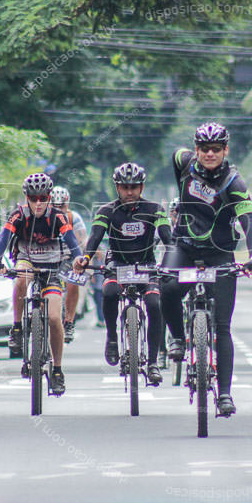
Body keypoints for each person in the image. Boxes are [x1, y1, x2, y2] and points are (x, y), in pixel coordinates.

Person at [161, 122, 252, 417]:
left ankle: (226, 395)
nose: (209, 154)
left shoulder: (234, 182)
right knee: (166, 289)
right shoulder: (183, 164)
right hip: (184, 247)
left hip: (220, 254)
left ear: (225, 150)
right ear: (195, 150)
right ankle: (178, 339)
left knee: (222, 327)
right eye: (204, 149)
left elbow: (249, 221)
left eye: (216, 149)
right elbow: (176, 153)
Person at [73, 163, 172, 385]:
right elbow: (95, 238)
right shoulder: (106, 211)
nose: (129, 192)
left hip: (146, 265)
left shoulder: (155, 209)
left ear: (142, 187)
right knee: (109, 293)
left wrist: (174, 261)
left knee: (155, 305)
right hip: (117, 265)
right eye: (125, 187)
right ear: (117, 187)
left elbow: (168, 238)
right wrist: (85, 259)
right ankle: (112, 338)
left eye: (134, 187)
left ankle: (154, 362)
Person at [0, 173, 82, 395]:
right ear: (27, 197)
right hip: (27, 260)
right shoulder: (18, 215)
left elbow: (71, 241)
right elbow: (3, 237)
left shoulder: (58, 217)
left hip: (52, 268)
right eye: (33, 198)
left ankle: (58, 370)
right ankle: (17, 327)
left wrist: (79, 258)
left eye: (43, 198)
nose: (38, 203)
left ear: (49, 197)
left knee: (53, 318)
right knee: (21, 277)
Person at [51, 186, 87, 342]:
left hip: (68, 257)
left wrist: (80, 257)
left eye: (62, 206)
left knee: (73, 281)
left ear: (68, 203)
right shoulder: (42, 217)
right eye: (55, 206)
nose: (59, 209)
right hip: (48, 257)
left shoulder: (74, 217)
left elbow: (83, 240)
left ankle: (69, 321)